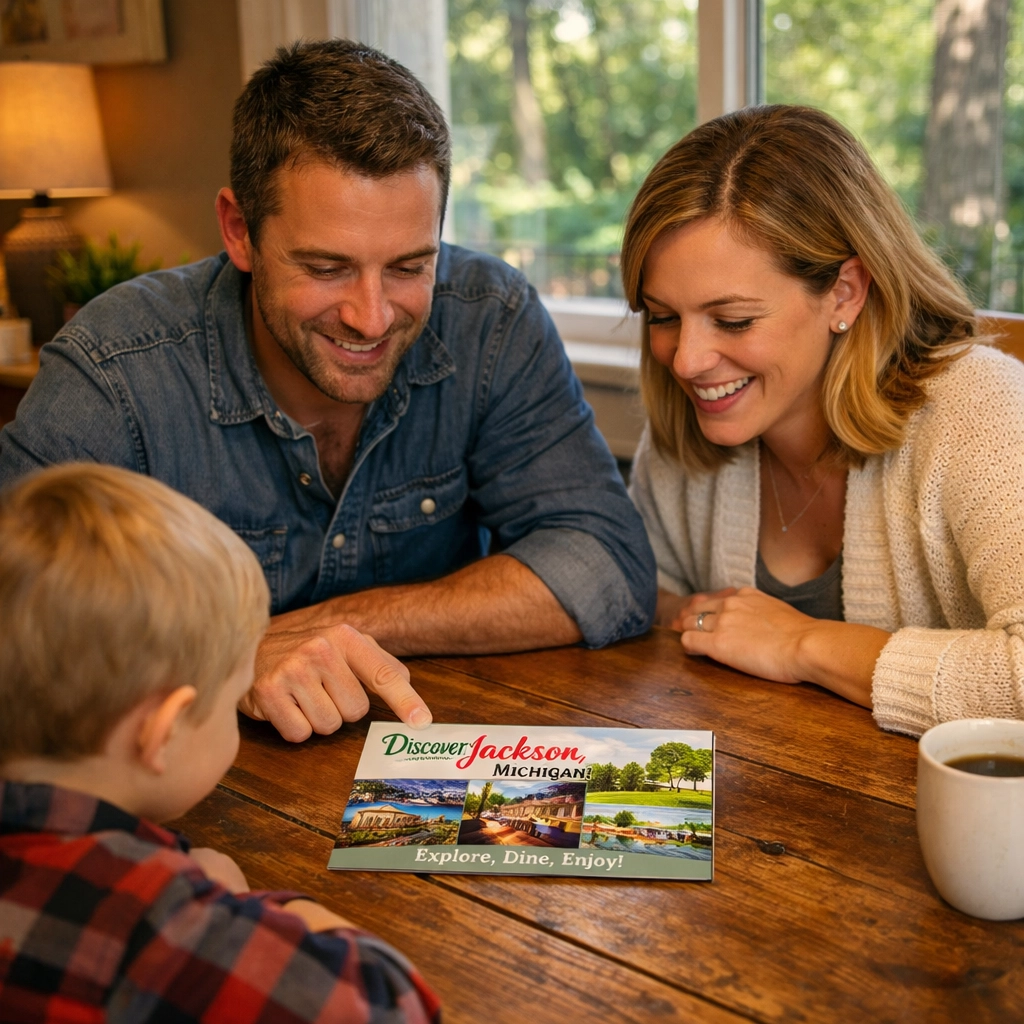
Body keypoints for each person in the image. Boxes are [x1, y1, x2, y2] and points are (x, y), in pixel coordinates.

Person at [0, 40, 656, 743]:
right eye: (326, 266)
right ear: (239, 231)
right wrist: (230, 659)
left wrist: (332, 628)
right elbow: (18, 627)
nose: (371, 317)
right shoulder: (115, 369)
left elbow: (609, 563)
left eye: (408, 266)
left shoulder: (488, 318)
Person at [623, 104, 1024, 737]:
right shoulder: (687, 422)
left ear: (845, 293)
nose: (688, 361)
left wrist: (801, 644)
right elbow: (637, 594)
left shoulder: (981, 409)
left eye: (733, 320)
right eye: (663, 316)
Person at [0, 463, 440, 1022]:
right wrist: (245, 902)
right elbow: (393, 1004)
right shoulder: (169, 929)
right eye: (233, 695)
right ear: (162, 733)